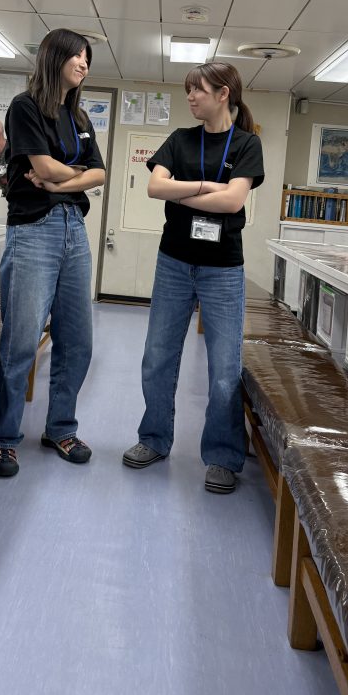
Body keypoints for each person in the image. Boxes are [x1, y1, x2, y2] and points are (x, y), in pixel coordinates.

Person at [122, 62, 265, 495]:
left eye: (198, 89)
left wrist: (183, 190)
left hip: (223, 269)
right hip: (174, 263)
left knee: (224, 368)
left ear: (223, 94)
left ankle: (222, 456)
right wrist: (207, 186)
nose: (190, 96)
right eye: (189, 89)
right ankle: (154, 439)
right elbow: (154, 188)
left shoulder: (247, 144)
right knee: (157, 357)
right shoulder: (180, 139)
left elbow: (233, 202)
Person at [0, 28, 106, 478]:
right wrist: (70, 173)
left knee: (78, 341)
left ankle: (60, 429)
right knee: (21, 341)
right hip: (34, 230)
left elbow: (100, 174)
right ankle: (3, 440)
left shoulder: (80, 117)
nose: (84, 64)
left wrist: (59, 181)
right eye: (77, 56)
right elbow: (42, 166)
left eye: (87, 58)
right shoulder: (25, 107)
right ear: (54, 57)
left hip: (74, 229)